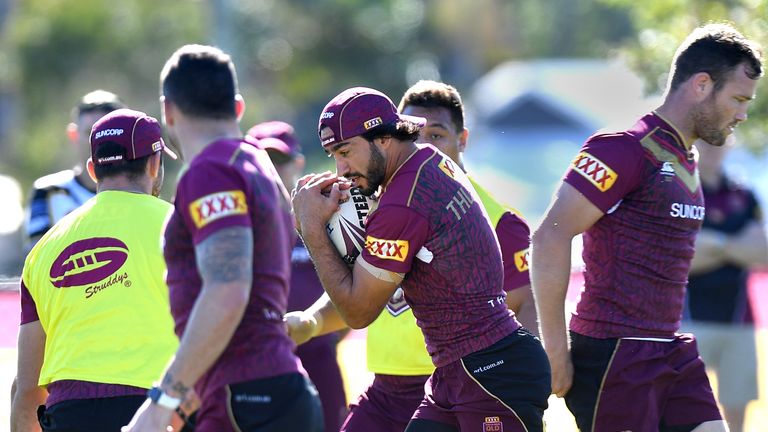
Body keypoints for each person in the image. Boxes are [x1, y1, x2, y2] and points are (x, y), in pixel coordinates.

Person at [531, 23, 762, 432]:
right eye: (738, 99)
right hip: (615, 354)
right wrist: (555, 347)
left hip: (671, 349)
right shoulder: (621, 147)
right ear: (702, 84)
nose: (743, 114)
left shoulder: (688, 159)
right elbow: (550, 234)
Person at [291, 86, 551, 432]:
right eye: (333, 155)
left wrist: (312, 229)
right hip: (458, 371)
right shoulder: (428, 163)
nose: (341, 168)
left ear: (383, 139)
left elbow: (359, 312)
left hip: (488, 372)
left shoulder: (403, 201)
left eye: (345, 151)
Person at [123, 44, 322, 432]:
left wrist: (162, 403)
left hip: (249, 398)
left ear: (167, 110)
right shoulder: (256, 162)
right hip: (267, 391)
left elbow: (227, 290)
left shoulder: (211, 171)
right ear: (238, 107)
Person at [11, 109, 179, 431]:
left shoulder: (43, 250)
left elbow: (28, 391)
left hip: (70, 413)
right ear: (154, 164)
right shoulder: (182, 227)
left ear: (92, 169)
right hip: (159, 411)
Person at [247, 120, 348, 431]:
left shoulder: (322, 216)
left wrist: (322, 330)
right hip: (257, 363)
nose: (272, 171)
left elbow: (350, 287)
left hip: (318, 357)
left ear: (298, 163)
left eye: (279, 161)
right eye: (262, 162)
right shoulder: (236, 228)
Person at [683, 138, 768, 432]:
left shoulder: (744, 195)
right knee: (686, 411)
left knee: (737, 414)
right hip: (688, 323)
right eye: (707, 143)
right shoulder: (682, 194)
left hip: (739, 321)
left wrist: (714, 244)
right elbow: (682, 258)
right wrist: (736, 246)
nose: (713, 149)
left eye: (720, 143)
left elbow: (763, 254)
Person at [24, 90, 125, 250]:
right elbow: (35, 260)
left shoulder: (142, 188)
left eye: (108, 134)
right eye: (90, 133)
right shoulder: (48, 191)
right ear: (73, 134)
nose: (99, 142)